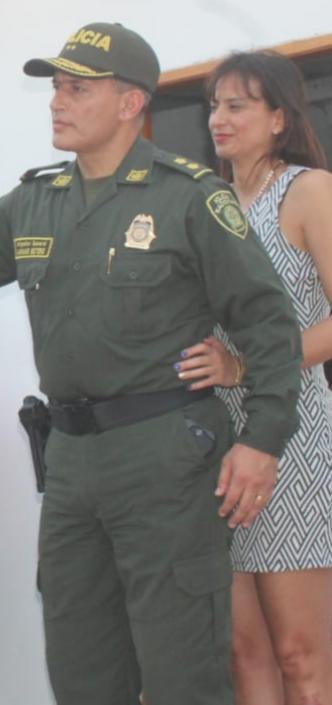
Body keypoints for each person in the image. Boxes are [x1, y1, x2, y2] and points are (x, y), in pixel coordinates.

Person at [0, 23, 302, 705]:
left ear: (130, 103)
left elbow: (268, 323)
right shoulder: (34, 200)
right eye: (56, 88)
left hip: (166, 458)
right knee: (82, 669)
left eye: (77, 89)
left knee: (183, 671)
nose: (56, 102)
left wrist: (262, 440)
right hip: (71, 465)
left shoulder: (187, 196)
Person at [176, 50, 332, 703]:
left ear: (278, 117)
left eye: (237, 104)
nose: (219, 117)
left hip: (291, 436)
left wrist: (247, 365)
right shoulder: (204, 203)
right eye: (214, 104)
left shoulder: (308, 190)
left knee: (300, 655)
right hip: (212, 440)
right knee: (244, 655)